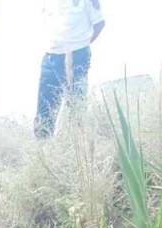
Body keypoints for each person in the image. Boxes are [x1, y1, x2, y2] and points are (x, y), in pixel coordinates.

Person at [35, 0, 105, 138]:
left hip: (76, 55)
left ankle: (76, 144)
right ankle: (43, 145)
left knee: (75, 106)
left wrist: (81, 44)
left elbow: (99, 23)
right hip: (50, 56)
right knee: (44, 111)